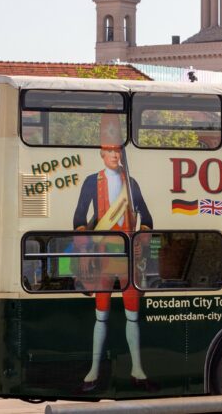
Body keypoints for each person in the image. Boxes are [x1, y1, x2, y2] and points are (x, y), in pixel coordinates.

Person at [72, 115, 155, 393]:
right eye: (109, 151)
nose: (114, 156)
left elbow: (149, 220)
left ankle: (137, 368)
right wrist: (86, 249)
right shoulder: (89, 183)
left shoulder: (131, 183)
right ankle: (94, 370)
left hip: (128, 258)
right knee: (101, 316)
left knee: (132, 316)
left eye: (117, 151)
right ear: (101, 153)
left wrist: (140, 238)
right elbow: (78, 220)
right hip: (102, 255)